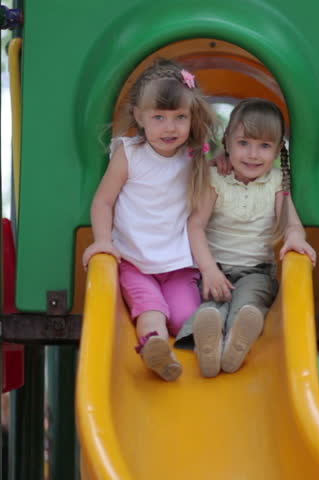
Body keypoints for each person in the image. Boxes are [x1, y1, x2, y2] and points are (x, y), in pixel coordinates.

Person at [82, 59, 218, 381]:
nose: (169, 128)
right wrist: (102, 241)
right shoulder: (129, 154)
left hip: (178, 264)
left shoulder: (195, 157)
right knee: (151, 309)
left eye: (179, 118)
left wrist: (222, 165)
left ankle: (202, 344)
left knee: (185, 316)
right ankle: (155, 348)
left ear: (192, 117)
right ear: (140, 117)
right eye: (159, 117)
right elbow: (103, 201)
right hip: (135, 260)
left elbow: (205, 200)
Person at [176, 98, 317, 377]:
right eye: (244, 143)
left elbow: (291, 224)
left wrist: (296, 238)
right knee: (210, 307)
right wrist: (209, 271)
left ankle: (234, 343)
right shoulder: (215, 178)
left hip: (256, 272)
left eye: (264, 146)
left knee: (249, 302)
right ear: (227, 143)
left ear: (278, 149)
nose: (253, 154)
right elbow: (195, 225)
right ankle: (209, 342)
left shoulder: (277, 181)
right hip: (214, 270)